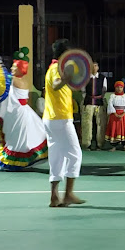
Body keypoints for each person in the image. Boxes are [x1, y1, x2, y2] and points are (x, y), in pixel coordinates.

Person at [0, 46, 48, 171]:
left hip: (18, 113)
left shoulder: (14, 80)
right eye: (12, 66)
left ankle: (14, 161)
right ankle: (22, 160)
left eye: (15, 67)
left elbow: (0, 78)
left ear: (21, 69)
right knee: (22, 137)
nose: (12, 69)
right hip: (22, 112)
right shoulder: (23, 81)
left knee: (17, 138)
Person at [42, 39, 86, 208]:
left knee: (56, 156)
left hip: (51, 118)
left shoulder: (53, 68)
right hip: (60, 119)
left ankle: (54, 197)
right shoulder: (56, 69)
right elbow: (55, 85)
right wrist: (66, 78)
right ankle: (68, 194)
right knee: (75, 154)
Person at [81, 60, 108, 151]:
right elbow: (83, 90)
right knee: (87, 124)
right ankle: (86, 144)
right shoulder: (85, 78)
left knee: (100, 124)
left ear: (98, 67)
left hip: (99, 104)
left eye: (95, 66)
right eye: (92, 66)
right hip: (88, 103)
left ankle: (99, 144)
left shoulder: (102, 78)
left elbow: (104, 90)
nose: (94, 68)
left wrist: (99, 98)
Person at [105, 81, 125, 152]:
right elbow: (110, 104)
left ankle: (124, 145)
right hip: (114, 114)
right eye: (117, 87)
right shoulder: (112, 96)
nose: (119, 89)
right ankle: (114, 146)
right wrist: (114, 113)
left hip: (123, 115)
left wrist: (124, 113)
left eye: (121, 87)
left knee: (124, 129)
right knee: (114, 128)